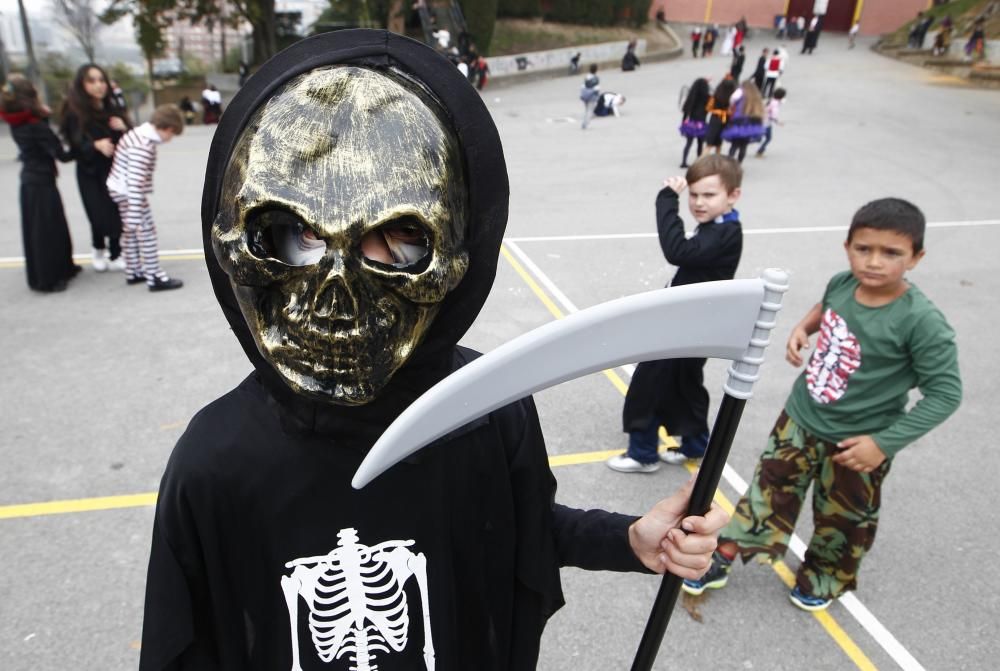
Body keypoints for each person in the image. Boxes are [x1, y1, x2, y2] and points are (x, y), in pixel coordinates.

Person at [137, 31, 728, 670]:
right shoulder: (215, 462)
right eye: (296, 236)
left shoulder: (481, 409)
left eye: (394, 240)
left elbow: (511, 526)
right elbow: (184, 644)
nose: (338, 298)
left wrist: (626, 540)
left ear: (456, 257)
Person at [683, 198, 962, 611]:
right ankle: (727, 551)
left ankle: (824, 575)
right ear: (847, 246)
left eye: (891, 253)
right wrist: (802, 328)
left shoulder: (921, 321)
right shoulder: (843, 283)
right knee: (768, 489)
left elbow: (946, 393)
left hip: (858, 441)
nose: (874, 262)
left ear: (916, 258)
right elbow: (825, 307)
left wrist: (883, 443)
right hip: (800, 417)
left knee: (843, 518)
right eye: (863, 249)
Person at [608, 155, 744, 473]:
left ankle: (643, 454)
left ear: (733, 195)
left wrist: (667, 201)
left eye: (708, 195)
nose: (697, 202)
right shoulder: (719, 226)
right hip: (695, 323)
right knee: (685, 384)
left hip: (687, 326)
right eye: (693, 194)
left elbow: (677, 250)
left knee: (649, 384)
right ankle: (695, 444)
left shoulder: (723, 233)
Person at [1, 75, 80, 293]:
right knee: (48, 230)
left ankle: (58, 269)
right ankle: (50, 277)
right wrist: (81, 146)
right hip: (41, 181)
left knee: (41, 229)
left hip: (30, 179)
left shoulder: (17, 120)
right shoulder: (35, 125)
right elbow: (61, 155)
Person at [59, 63, 131, 273]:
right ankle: (98, 248)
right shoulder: (75, 112)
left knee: (116, 209)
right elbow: (72, 144)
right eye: (92, 81)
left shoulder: (111, 108)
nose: (98, 85)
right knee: (97, 211)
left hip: (114, 169)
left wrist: (124, 126)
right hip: (90, 171)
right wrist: (94, 145)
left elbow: (130, 139)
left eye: (101, 80)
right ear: (82, 85)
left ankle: (116, 252)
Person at [105, 104, 185, 291]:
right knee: (147, 232)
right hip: (130, 193)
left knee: (131, 233)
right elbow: (135, 181)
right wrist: (135, 213)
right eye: (172, 135)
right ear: (168, 129)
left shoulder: (138, 134)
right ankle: (154, 276)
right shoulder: (143, 146)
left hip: (119, 189)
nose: (170, 139)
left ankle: (133, 270)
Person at [722, 81, 765, 163]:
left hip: (738, 120)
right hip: (751, 123)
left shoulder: (740, 91)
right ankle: (739, 163)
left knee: (734, 145)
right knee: (743, 146)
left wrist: (732, 106)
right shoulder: (755, 95)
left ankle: (730, 163)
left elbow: (732, 99)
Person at [679, 77, 710, 168]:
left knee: (688, 143)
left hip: (691, 123)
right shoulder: (706, 98)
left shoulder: (691, 97)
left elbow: (685, 111)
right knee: (700, 143)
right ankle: (699, 162)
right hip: (701, 123)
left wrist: (683, 122)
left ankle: (684, 161)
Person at [703, 78, 736, 155]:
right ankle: (717, 160)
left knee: (709, 143)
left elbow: (708, 108)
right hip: (725, 120)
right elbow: (733, 111)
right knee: (719, 142)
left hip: (715, 118)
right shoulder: (732, 98)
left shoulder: (715, 96)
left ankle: (702, 159)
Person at [755, 87, 785, 157]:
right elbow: (773, 116)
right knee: (767, 138)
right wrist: (778, 122)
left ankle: (759, 147)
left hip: (762, 120)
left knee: (762, 137)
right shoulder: (775, 105)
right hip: (766, 123)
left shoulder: (771, 100)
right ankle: (760, 151)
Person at [580, 63, 600, 130]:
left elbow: (583, 86)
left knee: (586, 110)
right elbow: (596, 88)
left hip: (585, 95)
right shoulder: (596, 78)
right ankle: (585, 124)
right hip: (592, 96)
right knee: (590, 110)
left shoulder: (587, 77)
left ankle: (584, 122)